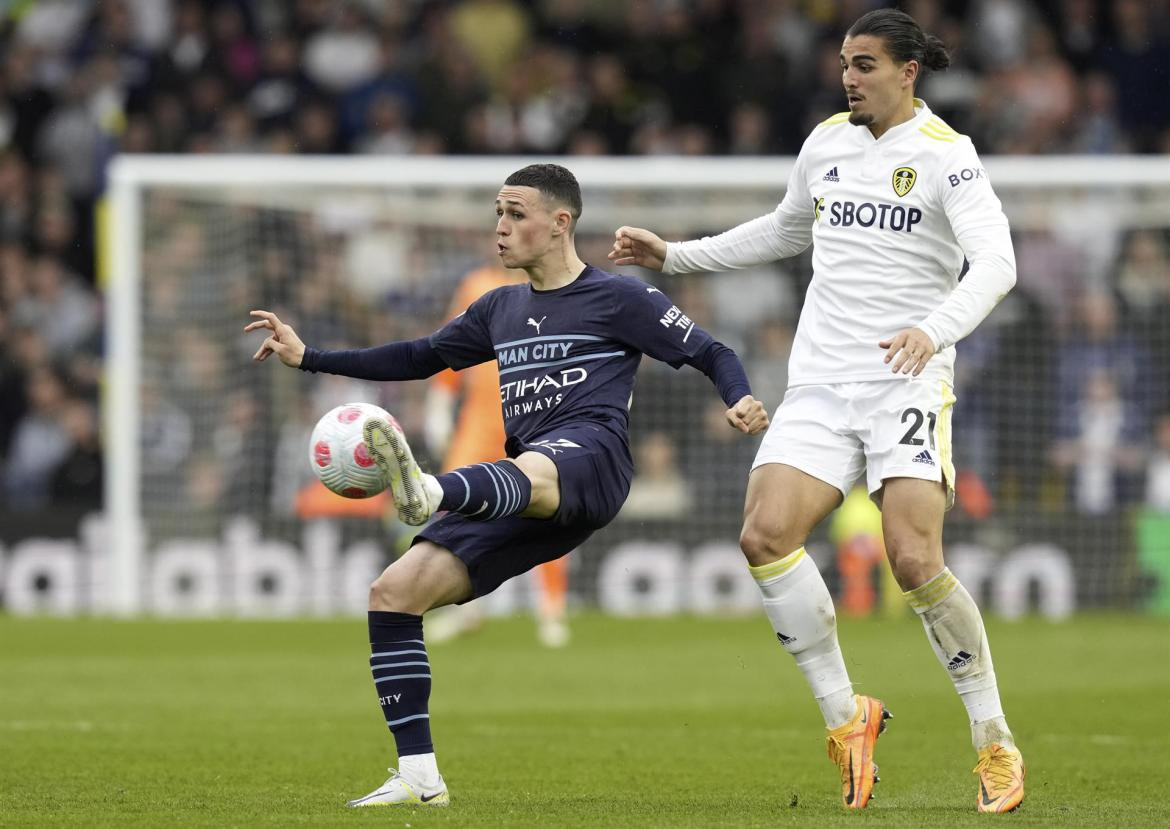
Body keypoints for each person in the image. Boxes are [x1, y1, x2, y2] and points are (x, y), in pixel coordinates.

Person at [246, 163, 768, 808]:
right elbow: (420, 357)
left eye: (515, 213)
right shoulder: (499, 307)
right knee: (392, 594)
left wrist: (740, 398)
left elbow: (713, 352)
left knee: (535, 468)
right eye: (498, 212)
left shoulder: (619, 297)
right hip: (521, 487)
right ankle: (419, 777)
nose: (500, 226)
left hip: (591, 459)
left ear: (560, 223)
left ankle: (428, 491)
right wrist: (312, 357)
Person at [609, 9, 1024, 814]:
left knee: (911, 557)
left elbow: (997, 264)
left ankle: (993, 737)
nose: (848, 77)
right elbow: (785, 229)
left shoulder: (950, 159)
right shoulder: (826, 142)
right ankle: (847, 718)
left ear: (909, 71)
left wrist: (932, 331)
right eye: (844, 63)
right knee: (764, 534)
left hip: (907, 379)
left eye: (865, 65)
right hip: (823, 382)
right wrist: (678, 255)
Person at [423, 263, 573, 648]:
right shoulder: (475, 284)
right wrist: (440, 402)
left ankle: (551, 610)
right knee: (451, 507)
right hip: (479, 422)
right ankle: (465, 609)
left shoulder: (556, 285)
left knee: (550, 512)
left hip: (535, 420)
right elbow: (452, 345)